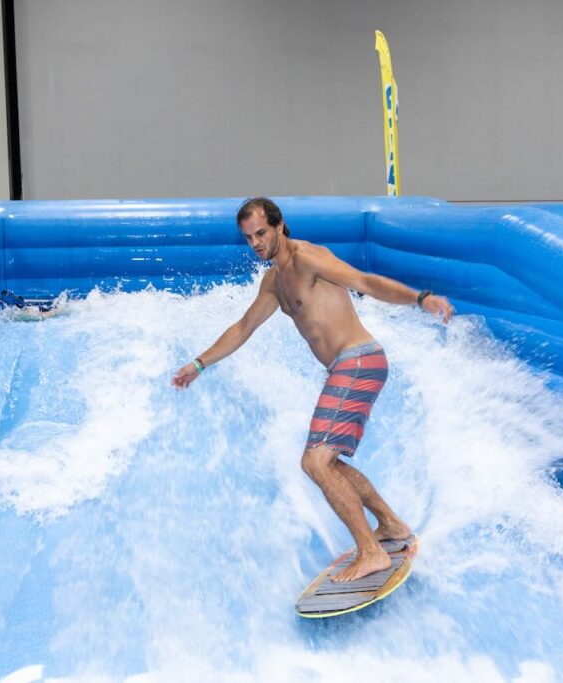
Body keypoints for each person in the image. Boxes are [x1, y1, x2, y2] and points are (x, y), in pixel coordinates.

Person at [172, 197, 455, 582]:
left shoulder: (307, 258)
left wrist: (419, 299)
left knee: (315, 462)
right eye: (248, 237)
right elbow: (243, 328)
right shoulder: (274, 281)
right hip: (346, 367)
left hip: (359, 360)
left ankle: (371, 553)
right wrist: (199, 364)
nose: (255, 243)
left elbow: (364, 282)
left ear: (279, 225)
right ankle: (391, 525)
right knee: (329, 464)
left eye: (261, 233)